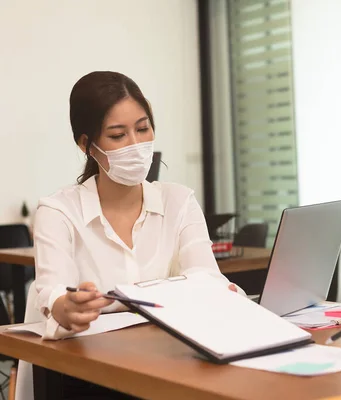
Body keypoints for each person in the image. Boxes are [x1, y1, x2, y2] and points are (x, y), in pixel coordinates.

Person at [32, 71, 243, 398]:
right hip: (87, 377)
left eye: (143, 128)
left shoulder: (179, 201)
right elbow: (52, 292)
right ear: (86, 145)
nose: (136, 144)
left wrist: (214, 290)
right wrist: (65, 307)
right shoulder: (58, 211)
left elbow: (206, 276)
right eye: (118, 135)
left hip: (168, 365)